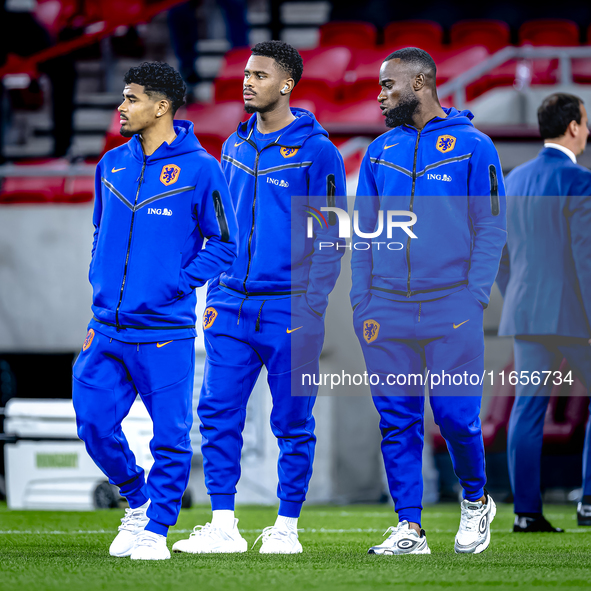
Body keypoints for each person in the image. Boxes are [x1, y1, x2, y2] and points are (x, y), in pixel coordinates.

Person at [173, 40, 347, 555]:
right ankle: (223, 524)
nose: (247, 82)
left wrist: (311, 305)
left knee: (292, 421)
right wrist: (210, 285)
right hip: (228, 305)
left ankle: (286, 528)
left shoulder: (319, 152)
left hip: (291, 309)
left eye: (260, 75)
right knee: (217, 413)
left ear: (287, 84)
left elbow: (331, 236)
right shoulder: (232, 146)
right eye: (245, 73)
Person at [72, 62, 238, 560]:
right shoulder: (111, 164)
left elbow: (224, 245)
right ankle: (138, 500)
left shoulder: (201, 168)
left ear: (161, 106)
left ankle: (156, 529)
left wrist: (174, 284)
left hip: (164, 331)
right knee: (93, 421)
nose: (121, 108)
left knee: (169, 436)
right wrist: (100, 276)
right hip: (105, 328)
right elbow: (101, 231)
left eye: (131, 99)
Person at [351, 47, 506, 555]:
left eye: (387, 86)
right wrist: (362, 301)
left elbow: (490, 226)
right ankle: (409, 528)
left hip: (451, 307)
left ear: (420, 83)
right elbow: (366, 233)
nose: (380, 95)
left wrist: (474, 296)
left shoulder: (475, 147)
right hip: (386, 308)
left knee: (457, 416)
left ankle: (476, 500)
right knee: (397, 419)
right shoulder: (378, 152)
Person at [496, 92, 591, 532]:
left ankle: (526, 513)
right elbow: (585, 257)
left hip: (525, 313)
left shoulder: (514, 181)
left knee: (527, 411)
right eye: (586, 123)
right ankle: (588, 503)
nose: (588, 132)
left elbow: (498, 254)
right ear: (573, 126)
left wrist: (514, 293)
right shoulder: (580, 181)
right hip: (574, 317)